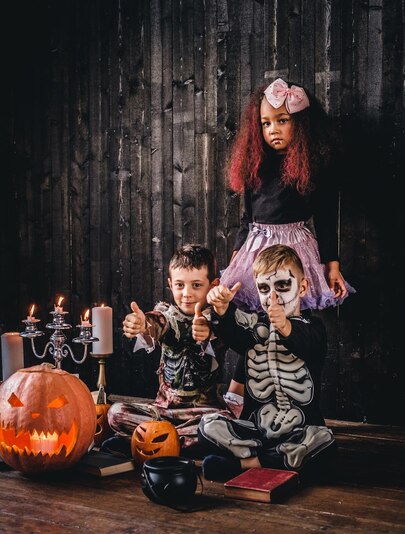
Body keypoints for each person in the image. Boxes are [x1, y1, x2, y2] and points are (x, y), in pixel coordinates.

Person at [220, 76, 355, 405]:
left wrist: (332, 267)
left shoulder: (313, 166)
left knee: (289, 320)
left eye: (282, 121)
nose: (273, 130)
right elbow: (246, 219)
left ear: (302, 124)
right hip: (256, 248)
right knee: (258, 321)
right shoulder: (256, 164)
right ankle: (239, 391)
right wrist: (235, 261)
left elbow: (325, 218)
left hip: (294, 248)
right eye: (266, 123)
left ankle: (295, 396)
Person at [198, 244, 337, 481]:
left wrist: (284, 325)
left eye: (283, 285)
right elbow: (235, 332)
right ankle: (273, 460)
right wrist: (222, 310)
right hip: (256, 431)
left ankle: (246, 463)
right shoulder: (255, 329)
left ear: (302, 287)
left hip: (299, 431)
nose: (272, 296)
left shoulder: (314, 329)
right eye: (264, 288)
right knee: (207, 426)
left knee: (324, 441)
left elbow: (306, 343)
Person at [104, 244, 231, 455]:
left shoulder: (219, 319)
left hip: (202, 412)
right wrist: (143, 324)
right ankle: (175, 443)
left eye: (196, 285)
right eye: (180, 285)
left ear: (212, 285)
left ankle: (146, 443)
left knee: (222, 424)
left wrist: (208, 332)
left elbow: (220, 335)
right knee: (116, 413)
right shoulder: (168, 315)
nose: (187, 294)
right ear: (170, 284)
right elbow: (158, 323)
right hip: (162, 413)